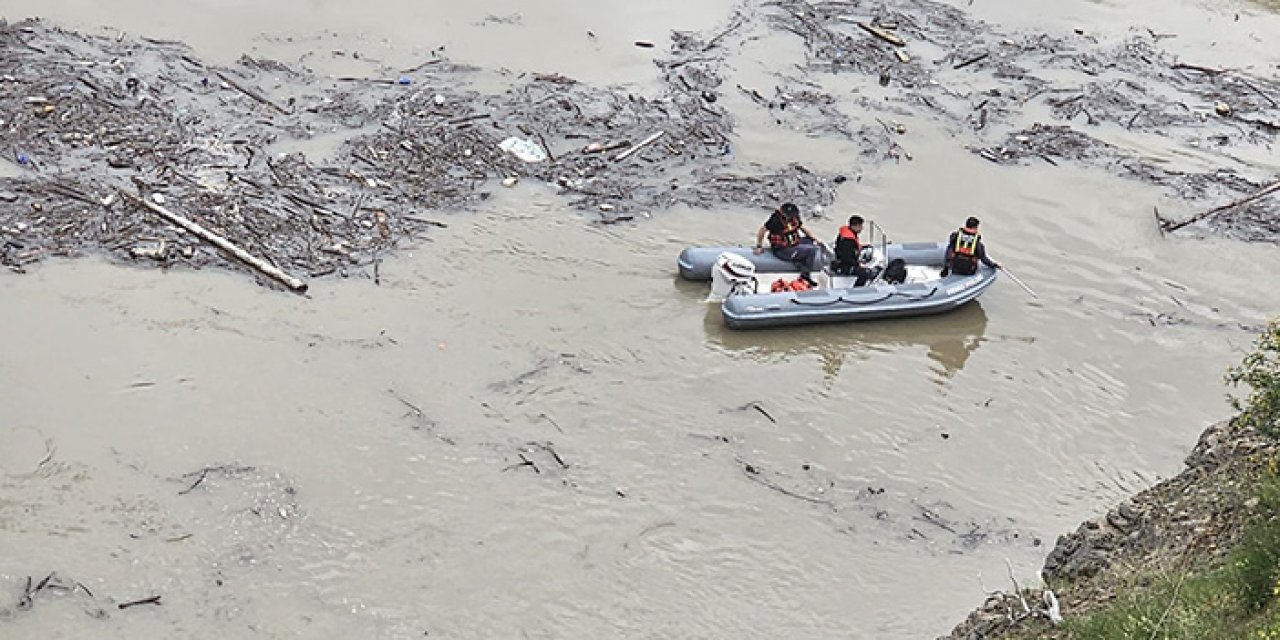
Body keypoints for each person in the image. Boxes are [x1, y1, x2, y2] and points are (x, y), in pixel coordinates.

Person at [753, 203, 824, 273]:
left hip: (793, 243)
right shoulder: (775, 220)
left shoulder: (794, 217)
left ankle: (798, 261)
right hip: (782, 250)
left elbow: (803, 228)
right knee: (812, 250)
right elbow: (762, 231)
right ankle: (805, 274)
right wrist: (759, 246)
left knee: (810, 241)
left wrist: (815, 238)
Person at [830, 215, 877, 286]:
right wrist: (859, 265)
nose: (862, 228)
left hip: (842, 261)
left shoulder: (846, 234)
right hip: (844, 266)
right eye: (860, 226)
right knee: (865, 273)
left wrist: (863, 246)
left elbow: (851, 249)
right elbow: (846, 258)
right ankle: (857, 289)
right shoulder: (848, 241)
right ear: (855, 226)